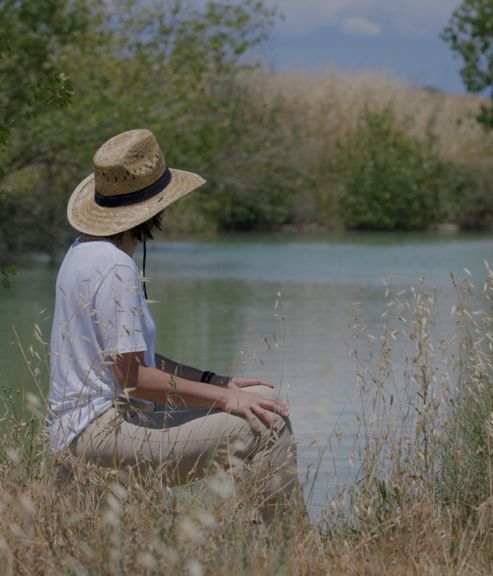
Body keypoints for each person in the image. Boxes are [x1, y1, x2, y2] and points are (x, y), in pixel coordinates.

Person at [46, 128, 303, 522]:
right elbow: (135, 380)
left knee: (257, 401)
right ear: (154, 207)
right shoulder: (116, 267)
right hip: (104, 435)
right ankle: (292, 548)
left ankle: (251, 536)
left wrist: (218, 382)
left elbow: (130, 361)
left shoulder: (81, 251)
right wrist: (225, 400)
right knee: (269, 427)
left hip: (81, 431)